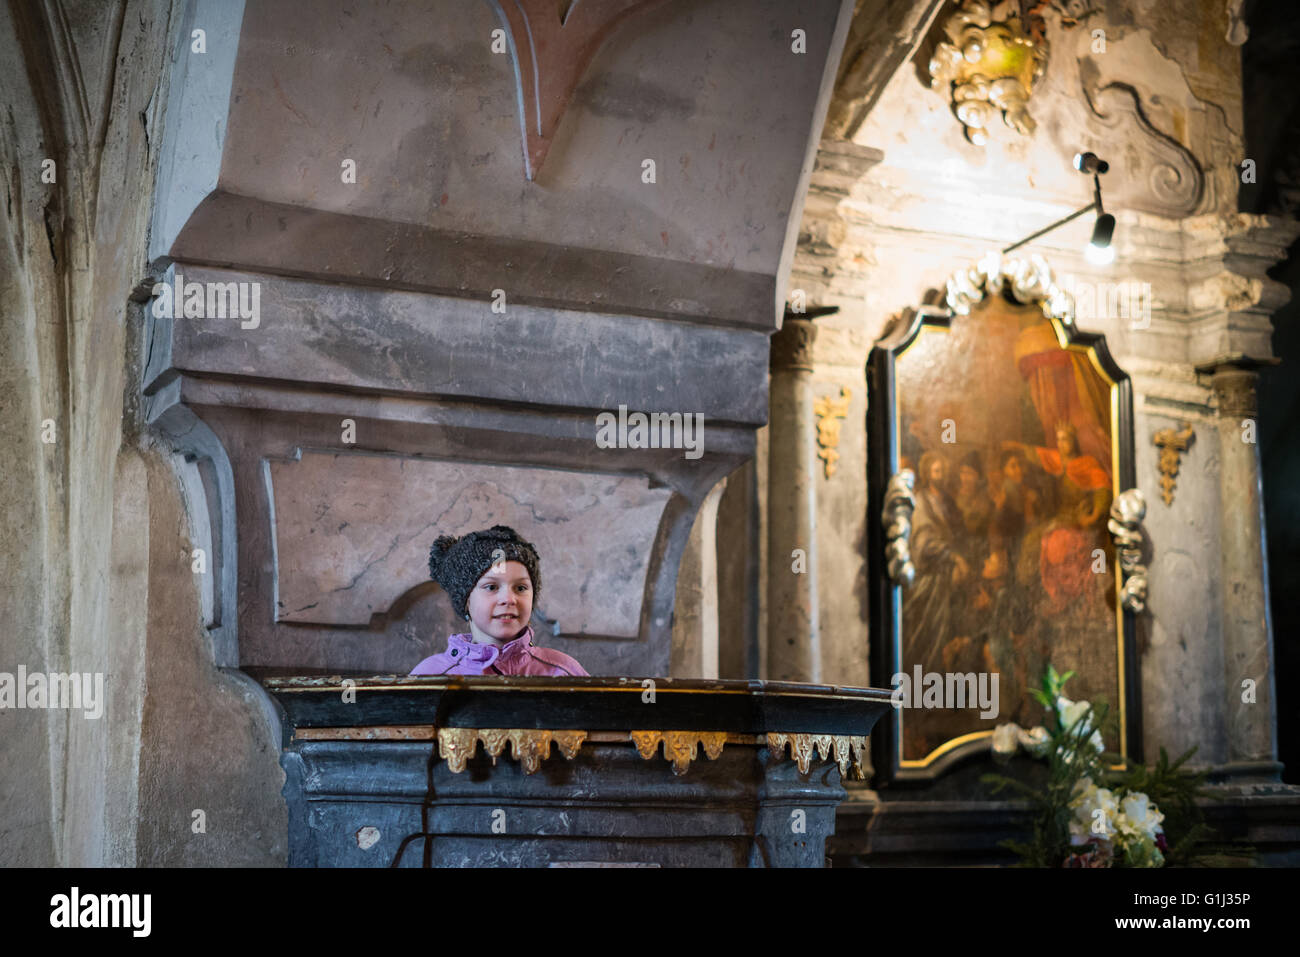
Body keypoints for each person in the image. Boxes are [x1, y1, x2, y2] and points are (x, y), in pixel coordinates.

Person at [408, 525, 588, 677]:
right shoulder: (431, 676)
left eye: (520, 588)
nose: (509, 599)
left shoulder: (564, 672)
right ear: (465, 601)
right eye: (491, 587)